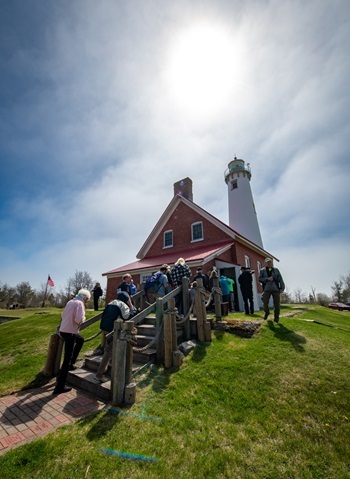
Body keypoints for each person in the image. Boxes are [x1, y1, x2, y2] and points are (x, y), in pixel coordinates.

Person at [53, 288, 91, 395]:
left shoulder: (70, 302)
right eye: (87, 299)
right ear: (85, 297)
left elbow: (63, 315)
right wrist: (84, 317)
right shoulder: (79, 304)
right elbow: (79, 320)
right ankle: (60, 386)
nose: (86, 301)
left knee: (80, 340)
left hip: (64, 330)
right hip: (70, 332)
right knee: (66, 359)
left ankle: (71, 362)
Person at [94, 292, 133, 383]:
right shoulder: (123, 304)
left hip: (104, 327)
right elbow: (126, 316)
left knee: (110, 348)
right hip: (112, 328)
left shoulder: (111, 302)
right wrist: (131, 307)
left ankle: (110, 364)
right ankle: (99, 374)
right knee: (109, 350)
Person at [259, 257, 285, 323]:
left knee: (277, 304)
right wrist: (267, 279)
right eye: (267, 262)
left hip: (275, 289)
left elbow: (280, 279)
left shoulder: (276, 270)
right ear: (266, 263)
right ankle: (266, 313)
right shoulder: (262, 270)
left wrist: (282, 288)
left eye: (270, 262)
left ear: (272, 262)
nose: (269, 263)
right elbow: (260, 279)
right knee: (265, 302)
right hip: (267, 289)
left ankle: (276, 318)